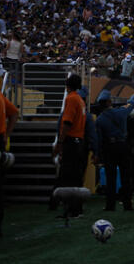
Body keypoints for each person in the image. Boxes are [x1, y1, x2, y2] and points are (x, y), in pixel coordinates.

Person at [53, 72, 86, 219]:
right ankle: (77, 209)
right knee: (76, 177)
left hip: (71, 141)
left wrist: (60, 142)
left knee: (67, 176)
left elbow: (67, 122)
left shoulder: (71, 99)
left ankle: (70, 209)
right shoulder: (80, 99)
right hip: (79, 141)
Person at [94, 90, 133, 212]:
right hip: (122, 145)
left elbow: (99, 140)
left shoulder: (99, 119)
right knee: (126, 176)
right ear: (110, 102)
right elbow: (130, 105)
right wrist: (133, 97)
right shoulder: (120, 112)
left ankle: (110, 205)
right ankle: (128, 204)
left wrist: (97, 154)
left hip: (109, 148)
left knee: (111, 178)